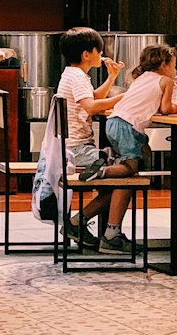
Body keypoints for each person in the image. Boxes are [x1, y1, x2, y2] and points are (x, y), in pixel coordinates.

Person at [101, 44, 177, 251]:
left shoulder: (140, 78)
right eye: (173, 64)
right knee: (131, 168)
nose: (175, 69)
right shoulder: (166, 81)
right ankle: (102, 171)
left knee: (141, 154)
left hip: (113, 122)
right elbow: (166, 108)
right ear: (164, 64)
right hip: (127, 127)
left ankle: (108, 162)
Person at [54, 26, 126, 252]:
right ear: (87, 54)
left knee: (119, 169)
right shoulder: (77, 77)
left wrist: (112, 77)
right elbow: (92, 106)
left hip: (72, 148)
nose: (102, 55)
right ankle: (82, 224)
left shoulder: (73, 74)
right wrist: (128, 95)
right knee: (126, 173)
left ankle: (78, 223)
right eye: (99, 50)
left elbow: (94, 97)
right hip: (76, 151)